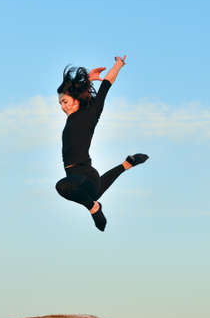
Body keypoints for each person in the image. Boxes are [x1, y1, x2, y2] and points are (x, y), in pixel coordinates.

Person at [55, 56, 149, 231]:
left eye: (65, 101)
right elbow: (79, 93)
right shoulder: (71, 119)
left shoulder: (91, 113)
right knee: (89, 193)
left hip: (85, 176)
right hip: (79, 180)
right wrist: (86, 81)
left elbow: (106, 84)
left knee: (61, 187)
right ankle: (127, 164)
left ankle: (94, 208)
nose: (62, 106)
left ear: (76, 100)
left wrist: (118, 64)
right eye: (60, 103)